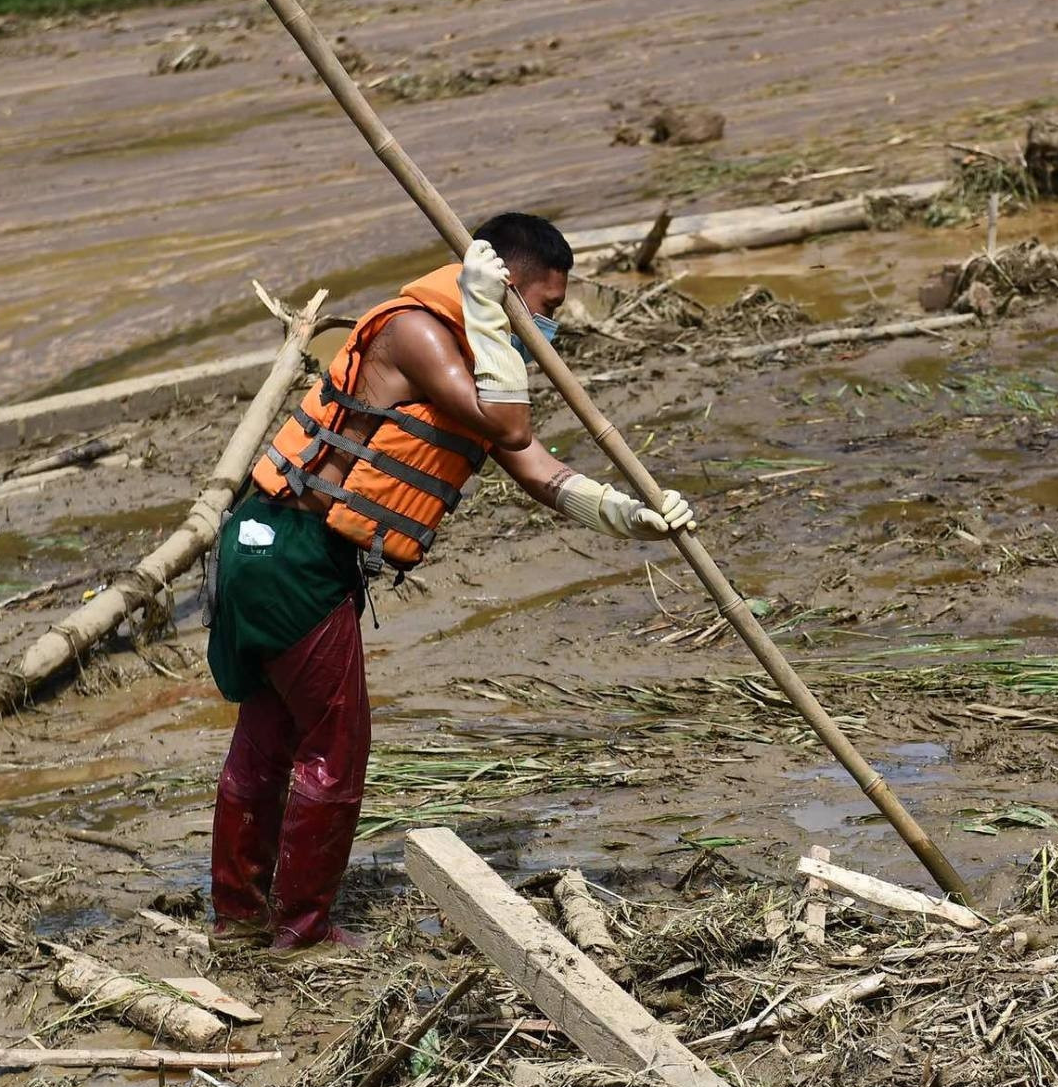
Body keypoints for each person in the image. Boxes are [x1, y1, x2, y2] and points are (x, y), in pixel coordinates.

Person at [206, 213, 697, 949]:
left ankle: (242, 921)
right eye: (547, 310)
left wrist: (633, 516)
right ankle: (301, 931)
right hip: (288, 551)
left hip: (280, 547)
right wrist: (495, 320)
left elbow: (536, 468)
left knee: (270, 737)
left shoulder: (464, 346)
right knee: (334, 751)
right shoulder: (420, 335)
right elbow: (507, 425)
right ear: (504, 284)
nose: (550, 329)